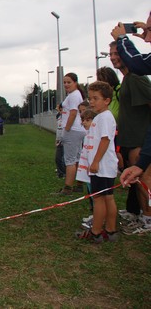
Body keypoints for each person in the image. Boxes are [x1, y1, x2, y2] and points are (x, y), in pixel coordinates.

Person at [109, 37, 151, 234]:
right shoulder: (127, 79)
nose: (113, 58)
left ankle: (148, 218)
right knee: (137, 182)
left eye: (117, 53)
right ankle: (138, 213)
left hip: (139, 140)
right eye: (111, 54)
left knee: (144, 181)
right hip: (129, 140)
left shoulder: (136, 78)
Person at [74, 81, 119, 243]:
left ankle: (96, 231)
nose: (91, 102)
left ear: (107, 100)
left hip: (101, 166)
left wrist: (95, 162)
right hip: (106, 166)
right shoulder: (103, 117)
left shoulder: (104, 118)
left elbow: (105, 140)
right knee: (108, 197)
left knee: (99, 198)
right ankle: (111, 230)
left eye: (95, 98)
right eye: (90, 98)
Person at [56, 73, 86, 196]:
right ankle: (79, 184)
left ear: (75, 82)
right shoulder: (75, 95)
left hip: (72, 130)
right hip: (77, 130)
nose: (66, 85)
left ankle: (67, 188)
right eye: (64, 82)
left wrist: (67, 129)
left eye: (69, 82)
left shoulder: (74, 96)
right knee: (77, 158)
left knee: (70, 160)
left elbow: (73, 113)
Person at [76, 108, 96, 230]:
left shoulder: (95, 135)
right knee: (92, 194)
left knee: (97, 195)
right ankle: (95, 215)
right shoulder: (87, 134)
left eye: (88, 120)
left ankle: (98, 218)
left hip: (94, 171)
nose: (84, 123)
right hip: (88, 172)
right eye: (83, 120)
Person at [55, 105, 66, 179]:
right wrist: (57, 140)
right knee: (58, 158)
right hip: (60, 140)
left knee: (64, 158)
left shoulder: (67, 118)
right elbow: (58, 130)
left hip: (65, 140)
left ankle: (64, 173)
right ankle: (61, 172)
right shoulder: (59, 117)